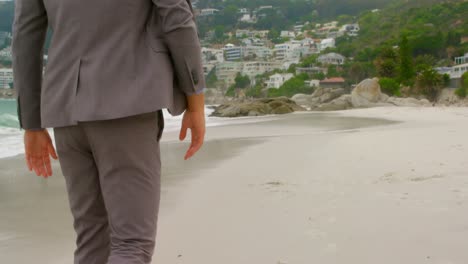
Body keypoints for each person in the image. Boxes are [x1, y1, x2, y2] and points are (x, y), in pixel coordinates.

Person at [12, 0, 206, 263]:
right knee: (132, 244)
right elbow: (177, 17)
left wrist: (32, 124)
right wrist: (195, 99)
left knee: (91, 241)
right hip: (128, 103)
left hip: (67, 110)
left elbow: (25, 36)